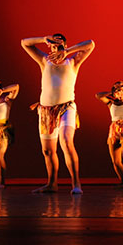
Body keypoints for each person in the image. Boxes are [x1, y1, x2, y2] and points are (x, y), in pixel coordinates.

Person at [21, 33, 95, 194]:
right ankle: (51, 184)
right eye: (53, 46)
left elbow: (90, 43)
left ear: (65, 46)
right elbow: (24, 43)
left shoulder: (72, 62)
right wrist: (43, 39)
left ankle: (76, 184)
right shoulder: (44, 61)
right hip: (46, 111)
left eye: (59, 46)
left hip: (66, 108)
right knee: (48, 151)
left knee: (66, 141)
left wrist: (67, 51)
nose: (56, 49)